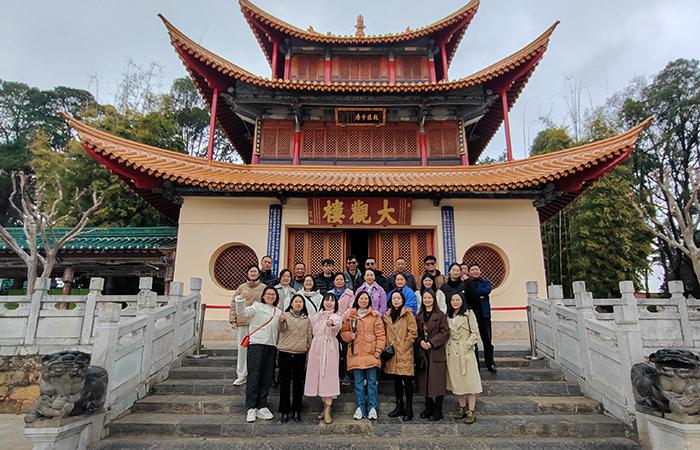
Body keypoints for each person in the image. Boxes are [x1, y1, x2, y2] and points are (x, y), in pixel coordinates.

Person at [235, 286, 281, 423]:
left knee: (267, 377)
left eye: (273, 294)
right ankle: (251, 407)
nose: (271, 296)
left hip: (271, 346)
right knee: (254, 376)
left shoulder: (278, 312)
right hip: (256, 344)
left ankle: (262, 405)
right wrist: (240, 300)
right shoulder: (257, 306)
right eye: (268, 294)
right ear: (263, 296)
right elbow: (242, 313)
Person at [341, 291, 386, 420]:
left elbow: (381, 335)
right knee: (358, 383)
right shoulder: (350, 315)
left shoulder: (374, 316)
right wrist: (349, 336)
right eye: (361, 298)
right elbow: (343, 332)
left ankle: (372, 407)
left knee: (372, 382)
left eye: (366, 298)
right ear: (357, 300)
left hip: (371, 353)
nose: (364, 301)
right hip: (355, 353)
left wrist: (378, 350)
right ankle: (360, 407)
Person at [304, 293, 342, 424]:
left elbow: (336, 323)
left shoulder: (336, 316)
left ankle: (328, 410)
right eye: (327, 300)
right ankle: (324, 408)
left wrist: (331, 323)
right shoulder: (316, 316)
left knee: (328, 377)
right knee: (318, 377)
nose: (329, 303)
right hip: (316, 348)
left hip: (329, 348)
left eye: (332, 300)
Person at [445, 293, 482, 424]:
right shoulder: (448, 316)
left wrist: (467, 344)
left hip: (465, 352)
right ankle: (461, 407)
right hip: (452, 351)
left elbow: (475, 333)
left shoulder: (468, 314)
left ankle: (471, 410)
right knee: (457, 382)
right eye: (453, 300)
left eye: (457, 299)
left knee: (470, 381)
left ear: (462, 301)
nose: (455, 302)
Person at [415, 289, 449, 422]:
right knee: (425, 382)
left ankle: (438, 410)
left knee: (437, 382)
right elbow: (415, 333)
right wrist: (420, 342)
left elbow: (444, 332)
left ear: (434, 299)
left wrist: (432, 343)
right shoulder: (419, 316)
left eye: (430, 297)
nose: (427, 300)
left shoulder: (440, 315)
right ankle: (428, 406)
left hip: (436, 351)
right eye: (425, 298)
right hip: (423, 352)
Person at [383, 290, 418, 421]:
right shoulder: (387, 315)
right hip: (392, 353)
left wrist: (404, 346)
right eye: (394, 298)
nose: (396, 300)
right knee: (396, 381)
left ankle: (409, 408)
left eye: (398, 298)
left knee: (407, 381)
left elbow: (413, 332)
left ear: (403, 300)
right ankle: (399, 406)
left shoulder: (408, 314)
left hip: (405, 352)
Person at [277, 294, 313, 423]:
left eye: (300, 302)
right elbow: (281, 329)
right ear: (291, 304)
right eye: (296, 301)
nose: (298, 304)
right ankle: (285, 411)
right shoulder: (284, 315)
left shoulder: (306, 319)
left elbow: (309, 337)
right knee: (285, 383)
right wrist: (281, 322)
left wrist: (308, 350)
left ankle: (297, 410)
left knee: (298, 383)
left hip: (300, 353)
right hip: (285, 352)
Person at [229, 265, 266, 386]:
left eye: (255, 271)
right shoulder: (241, 287)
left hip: (258, 323)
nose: (253, 273)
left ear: (259, 274)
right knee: (242, 349)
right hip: (243, 322)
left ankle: (255, 375)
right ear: (247, 273)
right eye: (251, 271)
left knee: (257, 349)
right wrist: (233, 319)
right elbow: (234, 304)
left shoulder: (264, 288)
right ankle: (241, 375)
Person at [463, 263, 496, 373]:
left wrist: (475, 293)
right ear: (469, 272)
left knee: (487, 340)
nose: (475, 271)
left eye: (476, 269)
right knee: (473, 341)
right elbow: (468, 296)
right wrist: (479, 295)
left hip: (484, 315)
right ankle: (475, 365)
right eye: (472, 270)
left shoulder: (486, 282)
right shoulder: (466, 283)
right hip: (472, 314)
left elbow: (486, 291)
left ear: (480, 271)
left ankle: (490, 363)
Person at [329, 273, 355, 386]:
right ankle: (335, 374)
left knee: (345, 351)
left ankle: (346, 374)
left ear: (344, 281)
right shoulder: (330, 293)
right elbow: (327, 307)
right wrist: (334, 319)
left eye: (341, 279)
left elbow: (351, 308)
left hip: (345, 325)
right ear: (334, 281)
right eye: (337, 279)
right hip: (332, 326)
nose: (339, 281)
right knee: (334, 351)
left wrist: (340, 318)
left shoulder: (350, 293)